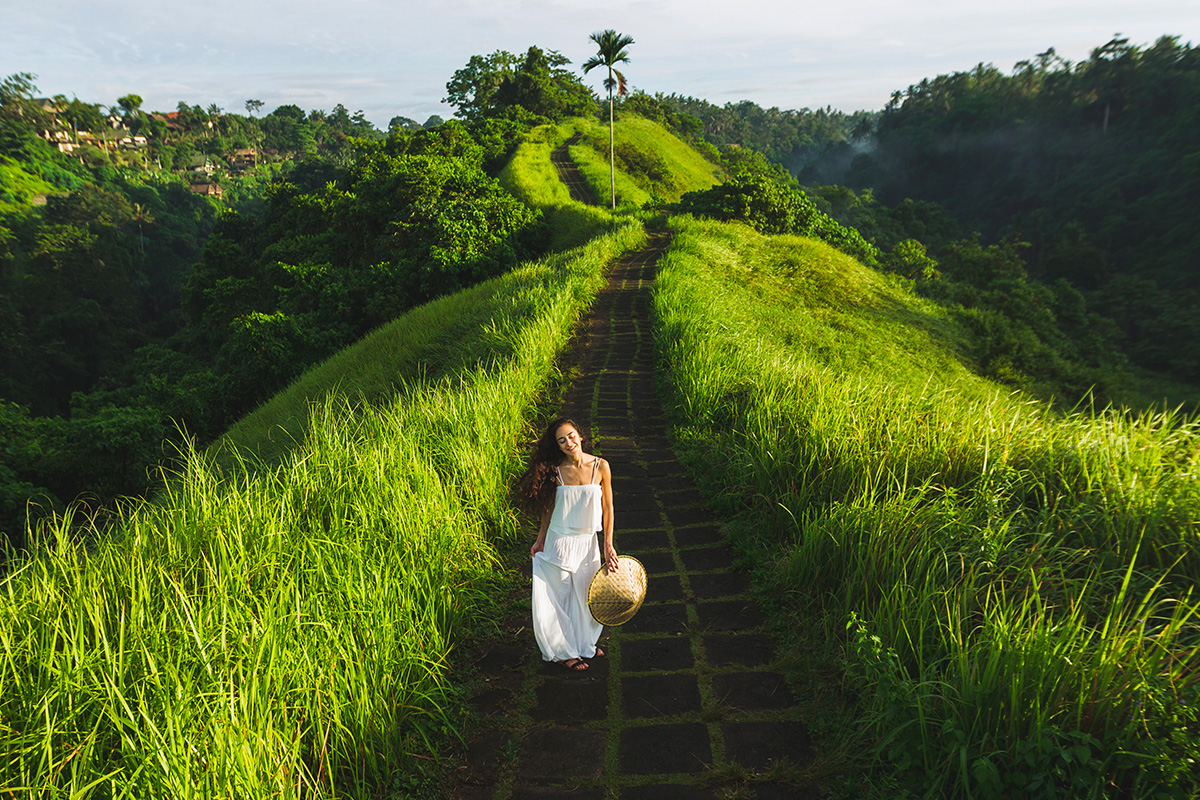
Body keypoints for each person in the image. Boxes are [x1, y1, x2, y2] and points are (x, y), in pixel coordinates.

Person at [514, 417, 618, 671]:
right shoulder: (556, 471)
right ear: (558, 446)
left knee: (586, 596)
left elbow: (608, 508)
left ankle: (584, 645)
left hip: (587, 542)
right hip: (560, 540)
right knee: (559, 596)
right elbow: (549, 509)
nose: (568, 443)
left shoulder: (601, 466)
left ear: (580, 436)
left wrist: (608, 545)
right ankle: (562, 652)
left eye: (571, 436)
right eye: (562, 440)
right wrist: (540, 540)